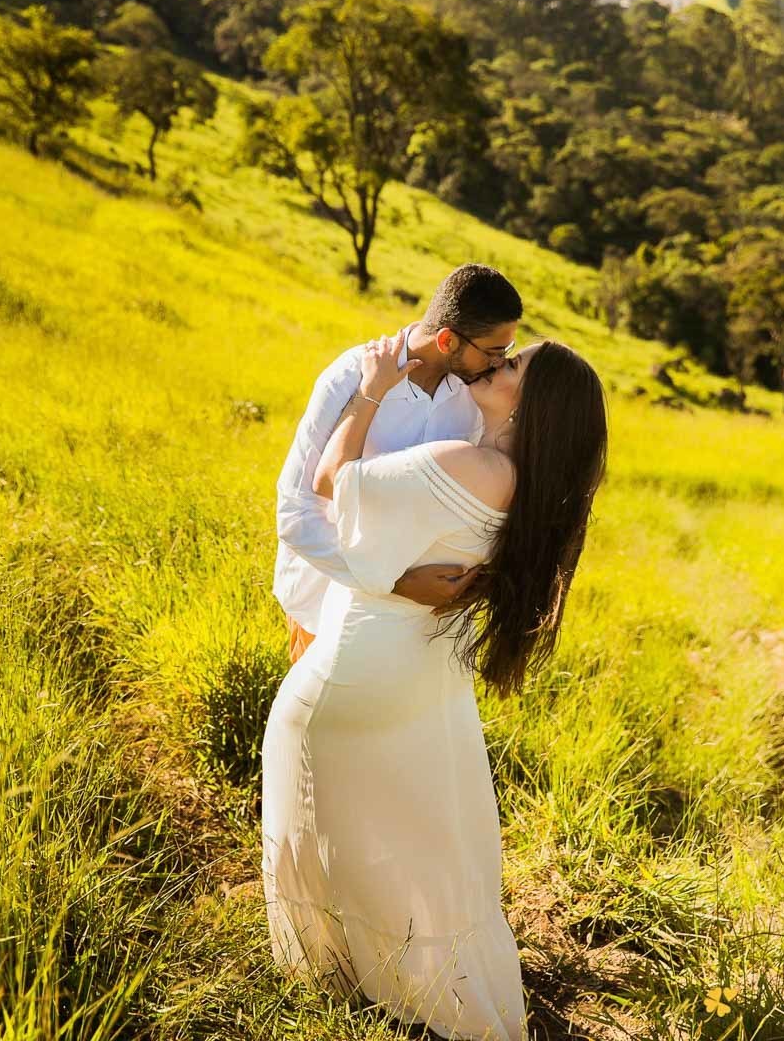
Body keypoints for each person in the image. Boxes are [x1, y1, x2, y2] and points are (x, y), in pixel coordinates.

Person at [261, 333, 608, 1040]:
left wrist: (370, 388)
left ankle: (341, 982)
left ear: (531, 404)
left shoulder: (470, 465)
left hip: (359, 672)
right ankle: (409, 984)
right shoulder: (531, 492)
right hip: (422, 681)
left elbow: (332, 482)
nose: (494, 366)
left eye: (512, 366)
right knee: (410, 837)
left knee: (330, 826)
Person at [273, 264, 523, 664]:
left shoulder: (472, 405)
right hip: (324, 605)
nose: (498, 364)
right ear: (447, 340)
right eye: (494, 352)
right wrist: (396, 585)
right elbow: (296, 514)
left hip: (413, 625)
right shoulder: (351, 377)